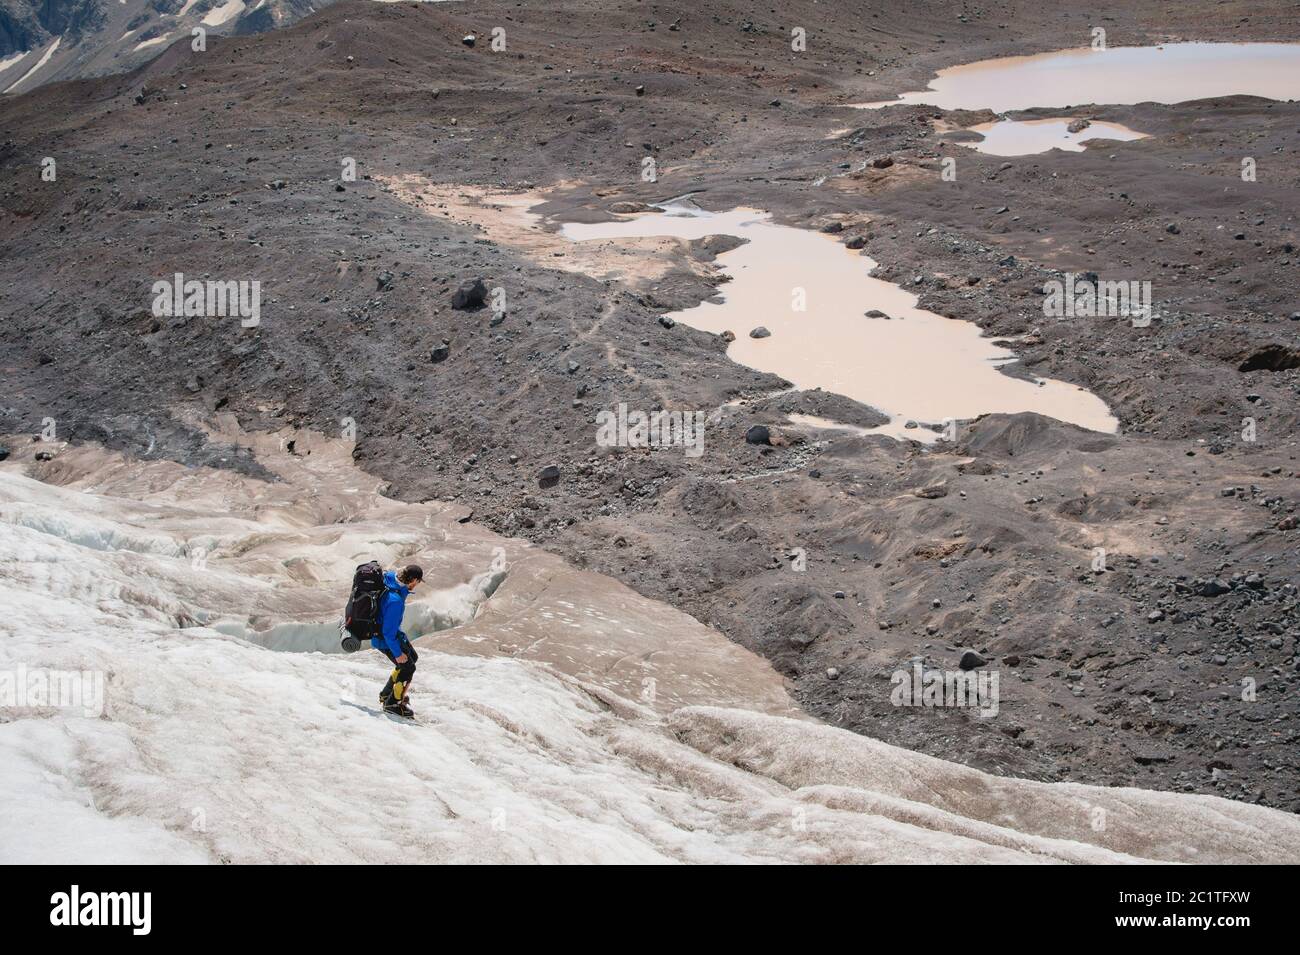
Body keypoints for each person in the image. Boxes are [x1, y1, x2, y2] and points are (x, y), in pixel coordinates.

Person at [373, 564, 423, 718]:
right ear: (413, 580)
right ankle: (392, 703)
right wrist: (398, 653)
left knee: (412, 658)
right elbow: (388, 633)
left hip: (389, 634)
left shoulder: (391, 580)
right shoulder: (395, 601)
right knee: (407, 667)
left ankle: (386, 694)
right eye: (418, 581)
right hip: (385, 639)